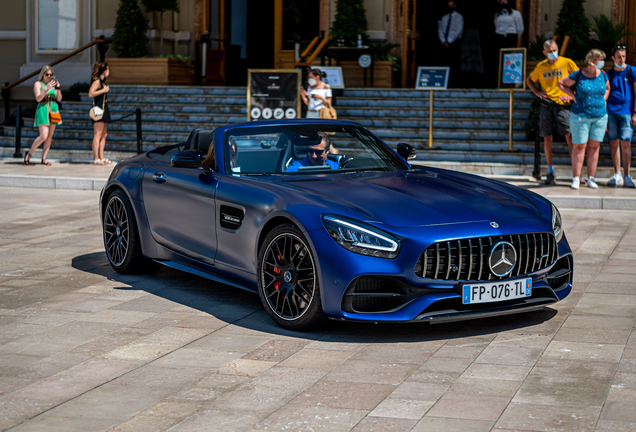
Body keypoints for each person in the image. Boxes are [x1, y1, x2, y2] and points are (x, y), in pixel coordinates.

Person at [527, 40, 578, 184]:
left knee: (570, 137)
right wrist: (536, 92)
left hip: (563, 105)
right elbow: (529, 79)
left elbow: (579, 79)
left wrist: (571, 95)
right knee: (547, 138)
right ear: (544, 52)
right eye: (549, 51)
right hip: (546, 104)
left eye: (554, 50)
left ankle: (576, 173)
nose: (552, 53)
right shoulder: (541, 66)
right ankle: (550, 172)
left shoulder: (567, 62)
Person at [558, 49, 610, 190]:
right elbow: (561, 83)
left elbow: (607, 88)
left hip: (600, 116)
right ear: (592, 60)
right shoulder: (579, 74)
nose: (602, 62)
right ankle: (576, 177)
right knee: (579, 146)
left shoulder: (603, 75)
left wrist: (603, 100)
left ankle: (591, 178)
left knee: (594, 147)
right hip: (580, 115)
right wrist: (573, 96)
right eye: (600, 59)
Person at [606, 46, 636, 188]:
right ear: (613, 58)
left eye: (624, 56)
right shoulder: (609, 74)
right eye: (619, 56)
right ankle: (617, 173)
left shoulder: (631, 71)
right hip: (611, 112)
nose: (622, 59)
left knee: (626, 142)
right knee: (613, 143)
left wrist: (635, 112)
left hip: (627, 112)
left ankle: (627, 175)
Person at [24, 65, 62, 165]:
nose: (49, 76)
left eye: (51, 74)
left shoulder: (53, 84)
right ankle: (29, 153)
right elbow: (38, 98)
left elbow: (59, 99)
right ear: (43, 74)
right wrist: (46, 89)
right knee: (43, 135)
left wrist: (58, 88)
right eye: (47, 74)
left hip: (53, 109)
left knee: (50, 136)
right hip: (43, 108)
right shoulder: (38, 84)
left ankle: (44, 158)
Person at [88, 62, 112, 165]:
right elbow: (90, 93)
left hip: (104, 108)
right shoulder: (97, 81)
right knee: (97, 134)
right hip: (98, 109)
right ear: (105, 70)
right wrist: (103, 90)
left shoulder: (102, 81)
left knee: (104, 134)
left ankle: (101, 156)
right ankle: (96, 157)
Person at [438, 0, 463, 86]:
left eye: (451, 5)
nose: (450, 7)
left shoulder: (459, 17)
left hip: (454, 43)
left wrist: (449, 41)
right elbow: (440, 30)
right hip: (444, 44)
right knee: (444, 63)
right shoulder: (444, 17)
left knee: (454, 64)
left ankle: (454, 84)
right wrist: (443, 41)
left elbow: (458, 31)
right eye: (448, 5)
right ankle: (444, 83)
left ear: (455, 6)